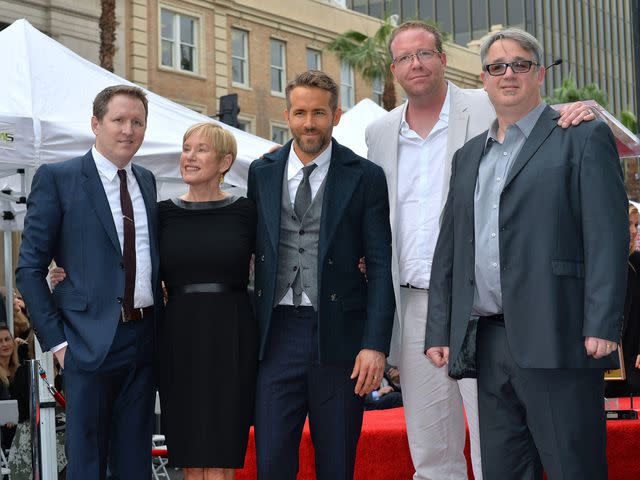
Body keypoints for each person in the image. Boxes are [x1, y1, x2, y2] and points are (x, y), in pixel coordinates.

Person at [365, 21, 594, 480]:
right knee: (430, 448)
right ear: (393, 69)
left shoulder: (487, 98)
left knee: (498, 445)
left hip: (481, 308)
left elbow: (536, 111)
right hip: (413, 304)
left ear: (444, 59)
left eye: (425, 53)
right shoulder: (380, 132)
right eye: (406, 57)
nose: (417, 64)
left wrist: (581, 109)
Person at [425, 28, 628, 479]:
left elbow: (607, 238)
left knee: (574, 467)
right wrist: (440, 326)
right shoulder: (467, 156)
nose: (508, 74)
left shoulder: (581, 136)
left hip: (561, 333)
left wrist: (602, 323)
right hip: (489, 340)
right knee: (504, 471)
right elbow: (451, 248)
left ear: (539, 74)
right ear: (484, 79)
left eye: (519, 65)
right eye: (497, 67)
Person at [247, 70, 395, 480]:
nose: (308, 123)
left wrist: (375, 345)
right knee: (272, 462)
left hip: (341, 339)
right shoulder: (262, 172)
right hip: (275, 336)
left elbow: (381, 265)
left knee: (336, 463)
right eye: (299, 113)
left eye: (318, 113)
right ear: (287, 115)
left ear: (336, 114)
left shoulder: (365, 176)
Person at [16, 84, 160, 479]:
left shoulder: (146, 181)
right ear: (96, 124)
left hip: (144, 341)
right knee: (88, 464)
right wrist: (59, 344)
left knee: (135, 464)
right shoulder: (59, 178)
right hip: (85, 343)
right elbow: (28, 270)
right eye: (119, 120)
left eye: (137, 122)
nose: (128, 130)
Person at [157, 122, 257, 480]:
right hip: (178, 336)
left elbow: (282, 256)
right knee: (189, 454)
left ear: (225, 161)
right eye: (186, 148)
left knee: (221, 453)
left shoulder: (246, 211)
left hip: (231, 334)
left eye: (201, 149)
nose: (190, 156)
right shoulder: (161, 213)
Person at [606, 203, 640, 397]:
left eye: (636, 225)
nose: (634, 231)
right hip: (602, 356)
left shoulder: (637, 263)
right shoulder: (597, 264)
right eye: (629, 224)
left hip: (632, 358)